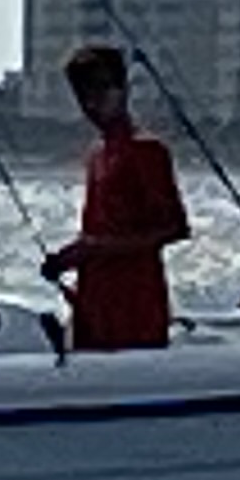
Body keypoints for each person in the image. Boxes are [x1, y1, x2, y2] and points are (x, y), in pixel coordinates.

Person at [43, 42, 188, 353]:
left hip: (135, 301)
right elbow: (97, 229)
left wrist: (98, 249)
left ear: (122, 89)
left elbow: (175, 227)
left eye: (101, 91)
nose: (92, 103)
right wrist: (67, 257)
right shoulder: (97, 154)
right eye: (83, 95)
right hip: (94, 300)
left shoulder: (147, 150)